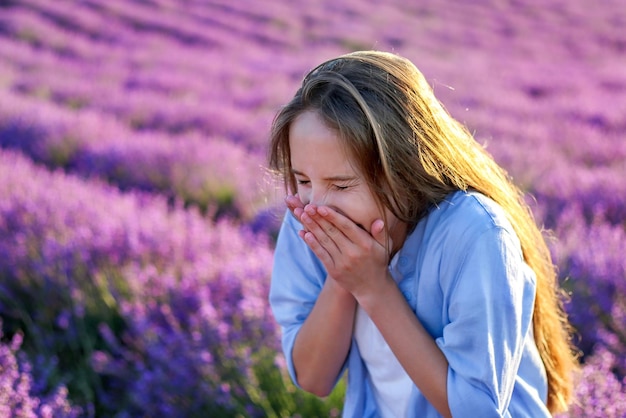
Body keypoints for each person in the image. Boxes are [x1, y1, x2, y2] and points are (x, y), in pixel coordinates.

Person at [268, 50, 578, 417]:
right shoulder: (309, 219)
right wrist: (342, 278)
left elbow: (477, 411)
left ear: (402, 171)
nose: (317, 206)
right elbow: (313, 377)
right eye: (303, 180)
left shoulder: (475, 233)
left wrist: (373, 287)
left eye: (341, 185)